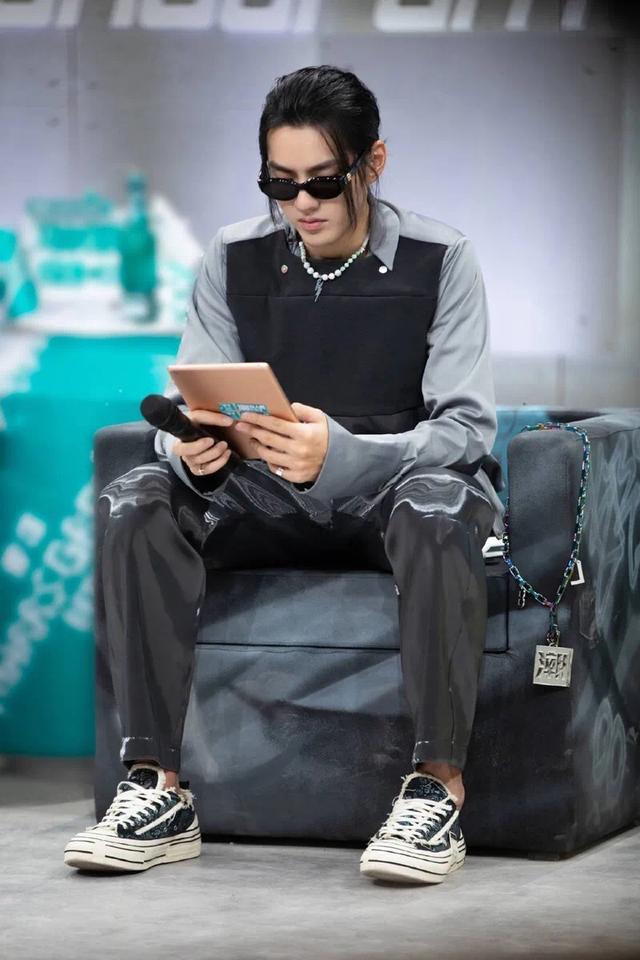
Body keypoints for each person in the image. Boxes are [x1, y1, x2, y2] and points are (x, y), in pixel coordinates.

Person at [64, 64, 504, 883]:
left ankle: (436, 790)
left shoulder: (443, 259)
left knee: (441, 508)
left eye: (323, 181)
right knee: (140, 497)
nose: (302, 203)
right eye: (280, 183)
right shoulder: (232, 256)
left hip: (393, 495)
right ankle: (156, 786)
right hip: (263, 495)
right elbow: (199, 398)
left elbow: (467, 429)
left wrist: (347, 455)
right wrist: (190, 450)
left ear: (372, 163)